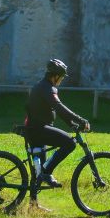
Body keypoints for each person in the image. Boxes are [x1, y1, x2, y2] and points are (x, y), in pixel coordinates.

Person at [24, 58, 90, 189]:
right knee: (70, 143)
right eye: (62, 77)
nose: (62, 79)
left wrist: (71, 124)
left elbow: (56, 110)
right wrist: (81, 120)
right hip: (38, 129)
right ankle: (46, 173)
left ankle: (34, 204)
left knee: (38, 169)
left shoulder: (44, 86)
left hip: (34, 129)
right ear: (55, 76)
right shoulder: (47, 88)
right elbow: (59, 107)